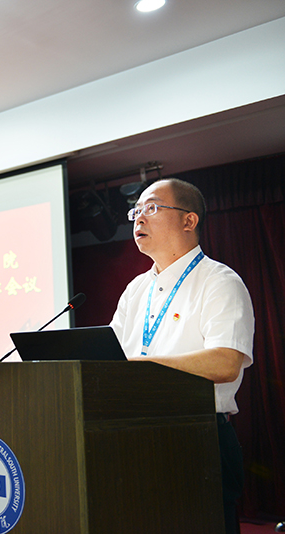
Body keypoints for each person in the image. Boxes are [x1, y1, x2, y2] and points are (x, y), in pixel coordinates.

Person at [110, 178, 254, 534]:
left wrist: (141, 368)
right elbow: (109, 358)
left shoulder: (219, 281)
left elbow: (225, 362)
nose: (139, 218)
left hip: (198, 439)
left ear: (189, 220)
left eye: (151, 208)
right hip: (132, 438)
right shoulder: (135, 290)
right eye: (135, 211)